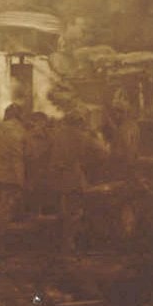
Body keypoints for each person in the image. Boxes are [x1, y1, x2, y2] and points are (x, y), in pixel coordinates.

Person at [47, 108, 109, 255]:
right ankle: (68, 245)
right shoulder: (82, 136)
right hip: (72, 178)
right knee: (74, 213)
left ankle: (56, 243)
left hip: (54, 178)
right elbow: (103, 152)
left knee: (61, 211)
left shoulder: (56, 134)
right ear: (79, 123)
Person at [0, 103, 26, 231]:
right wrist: (21, 181)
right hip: (10, 175)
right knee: (5, 209)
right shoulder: (20, 130)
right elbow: (18, 158)